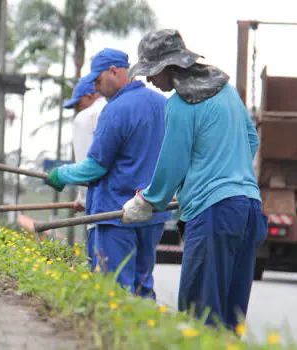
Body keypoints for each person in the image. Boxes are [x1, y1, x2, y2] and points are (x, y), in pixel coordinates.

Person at [122, 29, 268, 328]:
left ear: (167, 67)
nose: (149, 80)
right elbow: (251, 140)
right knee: (230, 311)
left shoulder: (179, 105)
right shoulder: (226, 90)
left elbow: (172, 165)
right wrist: (221, 166)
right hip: (248, 208)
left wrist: (147, 200)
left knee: (199, 312)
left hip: (213, 213)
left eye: (151, 72)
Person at [45, 48, 170, 299]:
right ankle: (145, 335)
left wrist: (61, 175)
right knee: (142, 286)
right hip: (153, 213)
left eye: (98, 80)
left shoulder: (115, 110)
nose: (96, 88)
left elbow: (95, 167)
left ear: (114, 70)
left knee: (114, 290)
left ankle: (114, 339)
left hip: (116, 214)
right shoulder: (163, 104)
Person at [62, 76, 106, 266]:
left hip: (100, 210)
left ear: (90, 96)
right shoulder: (123, 108)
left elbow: (86, 165)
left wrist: (83, 199)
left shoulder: (86, 117)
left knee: (102, 274)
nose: (77, 110)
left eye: (78, 104)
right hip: (134, 207)